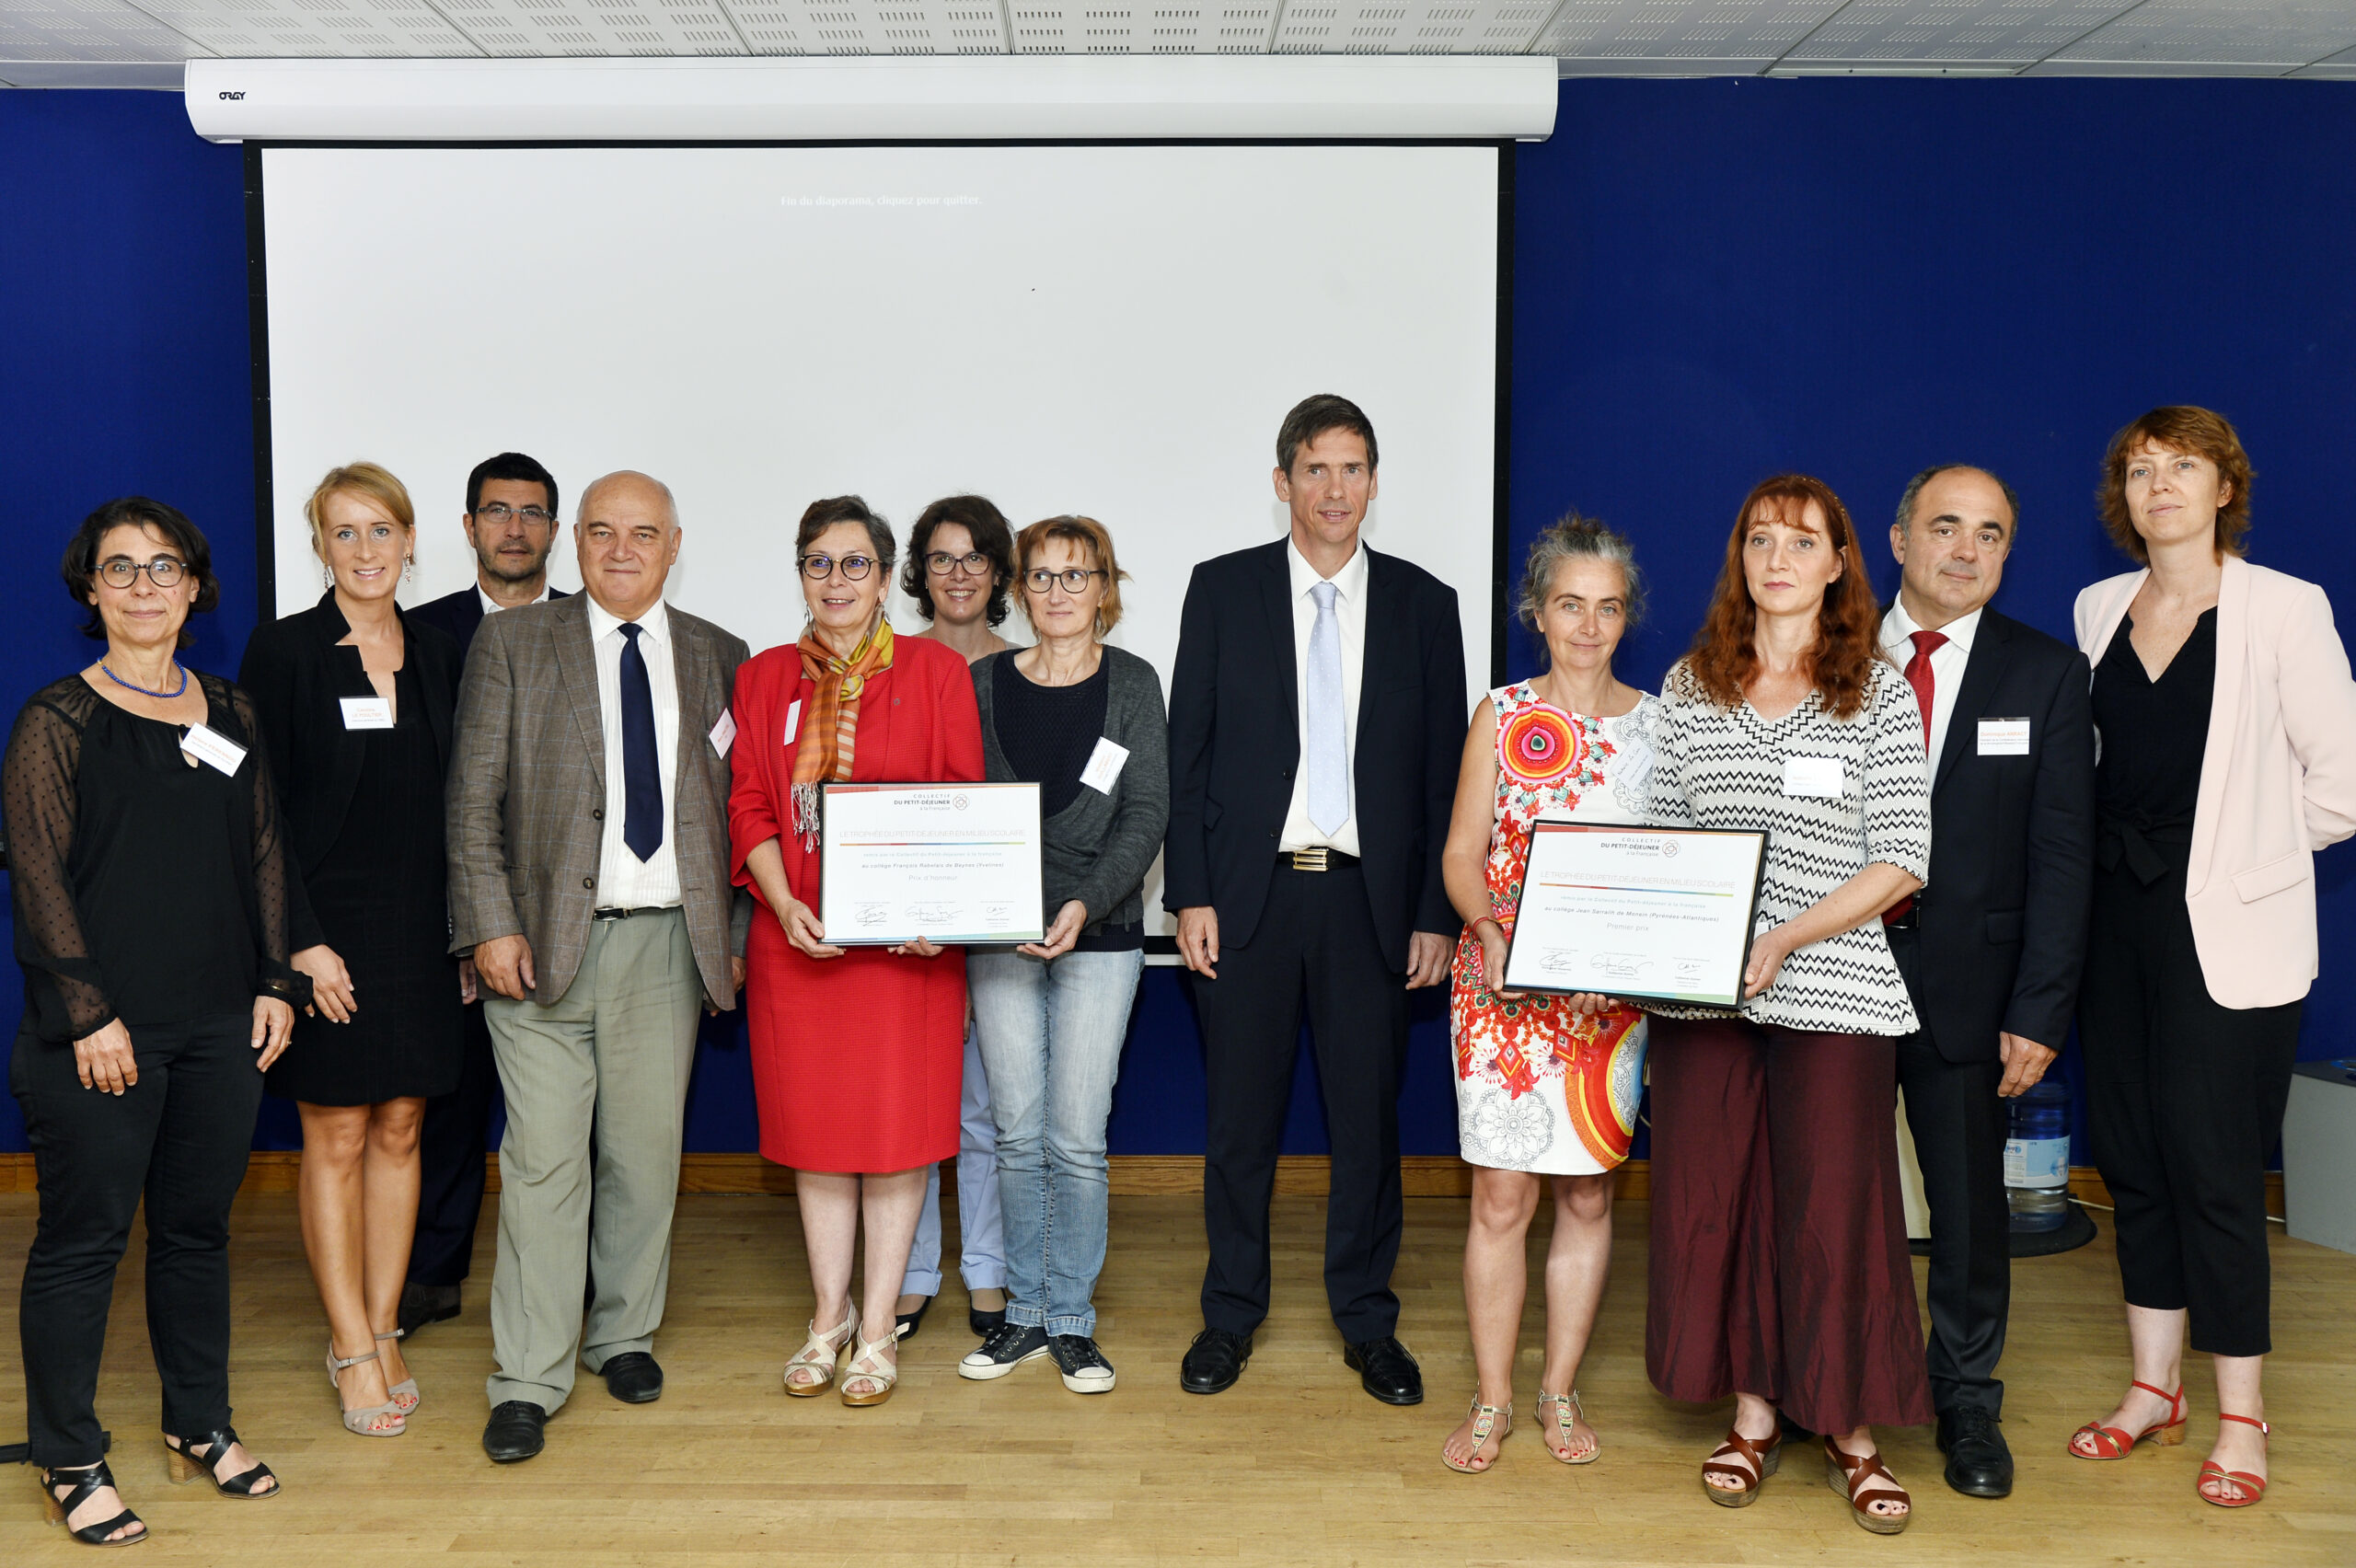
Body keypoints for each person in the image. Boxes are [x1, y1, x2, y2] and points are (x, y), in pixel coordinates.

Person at [2068, 407, 2356, 1508]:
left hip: (2224, 930)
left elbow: (2338, 784)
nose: (2158, 487)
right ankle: (2153, 1392)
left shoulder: (2286, 607)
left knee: (2217, 1174)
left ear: (2224, 485)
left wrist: (2245, 863)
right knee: (2132, 1159)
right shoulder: (2099, 606)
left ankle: (2241, 1415)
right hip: (2114, 925)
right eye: (2138, 471)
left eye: (2180, 467)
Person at [1636, 474, 1934, 1534]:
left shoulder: (1877, 688)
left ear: (1839, 562)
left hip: (1836, 990)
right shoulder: (1689, 684)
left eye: (1801, 542)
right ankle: (1755, 1416)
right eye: (1759, 539)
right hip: (1702, 1005)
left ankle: (1850, 1432)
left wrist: (1781, 939)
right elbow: (1663, 841)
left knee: (1833, 1212)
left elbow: (1902, 858)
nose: (1777, 558)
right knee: (1719, 1203)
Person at [6, 498, 304, 1543]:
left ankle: (198, 1424)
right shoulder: (57, 721)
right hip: (101, 1036)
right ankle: (69, 1454)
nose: (143, 584)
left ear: (194, 585)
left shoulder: (230, 712)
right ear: (91, 589)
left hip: (222, 1024)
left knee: (195, 1234)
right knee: (84, 1242)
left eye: (162, 565)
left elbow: (265, 854)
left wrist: (277, 982)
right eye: (120, 568)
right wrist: (89, 1014)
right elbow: (38, 881)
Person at [1166, 394, 1466, 1405]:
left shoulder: (1428, 605)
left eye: (1352, 470)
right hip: (1247, 902)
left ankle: (1368, 1323)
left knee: (1367, 1128)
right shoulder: (1222, 590)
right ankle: (1229, 1316)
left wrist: (1435, 908)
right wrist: (1190, 893)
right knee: (1237, 1129)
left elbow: (1440, 780)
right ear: (1283, 480)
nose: (1334, 489)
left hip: (1371, 907)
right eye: (1315, 469)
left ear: (1374, 483)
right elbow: (1188, 755)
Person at [447, 470, 751, 1463]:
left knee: (642, 1155)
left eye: (644, 534)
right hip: (539, 950)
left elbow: (736, 819)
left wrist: (736, 945)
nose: (623, 550)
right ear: (575, 542)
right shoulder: (514, 642)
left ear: (674, 544)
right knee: (541, 1162)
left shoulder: (719, 655)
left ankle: (621, 1333)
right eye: (603, 532)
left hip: (667, 945)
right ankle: (528, 1376)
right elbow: (470, 803)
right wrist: (489, 926)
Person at [730, 496, 982, 1408]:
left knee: (896, 1140)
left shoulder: (935, 673)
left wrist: (937, 908)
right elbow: (750, 802)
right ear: (800, 575)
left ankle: (877, 1332)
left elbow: (960, 802)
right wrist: (782, 897)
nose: (835, 581)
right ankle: (825, 1317)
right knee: (819, 1141)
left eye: (854, 563)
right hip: (798, 943)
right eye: (818, 564)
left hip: (906, 957)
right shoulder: (761, 679)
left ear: (883, 576)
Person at [1874, 464, 2096, 1499]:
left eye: (1990, 534)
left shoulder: (2045, 675)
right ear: (1897, 539)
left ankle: (1964, 1402)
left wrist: (2040, 1009)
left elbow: (2062, 855)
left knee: (1968, 1213)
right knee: (1831, 1197)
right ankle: (1824, 1391)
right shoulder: (1825, 655)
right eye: (1946, 527)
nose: (1966, 550)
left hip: (1975, 987)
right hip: (1835, 977)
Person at [238, 463, 468, 1437]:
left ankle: (384, 1322)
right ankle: (347, 1342)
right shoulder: (285, 652)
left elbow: (465, 797)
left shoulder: (442, 650)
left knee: (404, 1124)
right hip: (326, 932)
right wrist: (302, 947)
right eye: (345, 534)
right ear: (320, 547)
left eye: (382, 531)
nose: (366, 551)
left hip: (420, 930)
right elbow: (256, 816)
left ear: (412, 541)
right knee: (334, 1134)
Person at [1434, 515, 1655, 1473]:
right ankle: (1491, 1402)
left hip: (1607, 1009)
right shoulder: (1501, 711)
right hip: (1500, 995)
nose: (1588, 625)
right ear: (1537, 611)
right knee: (1498, 1198)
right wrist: (1486, 930)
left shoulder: (1660, 725)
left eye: (1607, 608)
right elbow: (1458, 852)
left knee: (1591, 1202)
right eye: (1570, 604)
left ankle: (1557, 1392)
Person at [956, 515, 1167, 1394]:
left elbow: (1146, 813)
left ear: (1104, 588)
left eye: (1075, 577)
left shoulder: (1134, 683)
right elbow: (957, 803)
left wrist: (1086, 903)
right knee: (1014, 1134)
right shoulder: (979, 684)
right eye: (1040, 577)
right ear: (1020, 588)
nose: (1057, 593)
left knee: (1076, 1139)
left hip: (1104, 936)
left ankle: (1071, 1319)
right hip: (999, 939)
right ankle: (1025, 1316)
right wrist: (981, 905)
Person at [399, 450, 568, 1337]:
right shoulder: (418, 636)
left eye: (532, 512)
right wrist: (468, 925)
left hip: (574, 915)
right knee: (452, 1106)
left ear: (555, 529)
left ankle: (569, 1278)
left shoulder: (592, 630)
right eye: (496, 512)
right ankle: (431, 1273)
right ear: (467, 528)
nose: (514, 528)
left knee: (570, 1126)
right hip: (455, 916)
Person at [893, 494, 1016, 1340]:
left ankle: (988, 1274)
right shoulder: (892, 666)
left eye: (975, 557)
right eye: (941, 558)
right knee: (908, 1106)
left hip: (996, 922)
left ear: (1000, 571)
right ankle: (905, 1273)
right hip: (908, 926)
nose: (959, 573)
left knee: (984, 1109)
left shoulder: (1028, 667)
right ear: (919, 573)